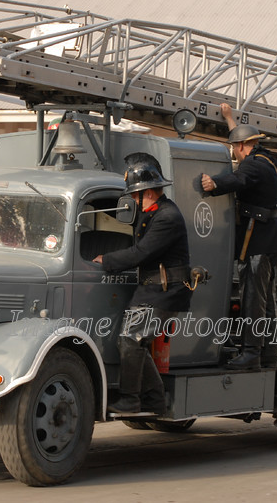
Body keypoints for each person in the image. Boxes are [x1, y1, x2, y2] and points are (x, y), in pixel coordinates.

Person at [93, 153, 192, 414]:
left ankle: (130, 399)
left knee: (130, 340)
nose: (132, 200)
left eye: (133, 195)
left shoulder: (167, 217)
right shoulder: (153, 213)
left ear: (144, 192)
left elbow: (141, 253)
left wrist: (106, 260)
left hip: (164, 290)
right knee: (134, 341)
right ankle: (154, 399)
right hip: (153, 289)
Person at [199, 103, 277, 369]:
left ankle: (251, 353)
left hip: (258, 241)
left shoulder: (253, 166)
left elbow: (239, 178)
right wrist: (230, 118)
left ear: (241, 147)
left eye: (234, 148)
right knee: (267, 301)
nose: (234, 153)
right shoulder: (265, 159)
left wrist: (215, 184)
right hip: (269, 239)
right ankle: (269, 353)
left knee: (252, 297)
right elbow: (241, 138)